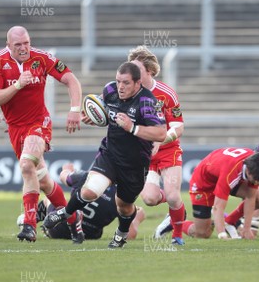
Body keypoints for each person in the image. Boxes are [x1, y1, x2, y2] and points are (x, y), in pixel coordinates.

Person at [43, 62, 166, 248]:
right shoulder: (110, 90)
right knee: (89, 191)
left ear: (138, 83)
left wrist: (131, 127)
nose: (120, 87)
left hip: (134, 164)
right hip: (110, 154)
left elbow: (160, 134)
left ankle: (121, 234)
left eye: (125, 83)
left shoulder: (147, 102)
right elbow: (102, 109)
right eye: (118, 81)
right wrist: (93, 117)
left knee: (124, 207)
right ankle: (65, 213)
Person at [0, 25, 83, 242]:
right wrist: (18, 86)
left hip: (39, 123)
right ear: (8, 45)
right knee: (45, 181)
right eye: (18, 45)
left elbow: (71, 80)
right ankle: (73, 219)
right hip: (15, 128)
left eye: (27, 43)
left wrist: (75, 109)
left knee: (26, 165)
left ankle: (29, 225)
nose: (24, 48)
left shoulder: (42, 58)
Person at [126, 46, 186, 245]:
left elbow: (178, 127)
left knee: (173, 195)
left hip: (168, 150)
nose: (132, 75)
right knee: (150, 199)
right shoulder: (127, 92)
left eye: (137, 70)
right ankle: (174, 208)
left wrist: (160, 141)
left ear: (149, 71)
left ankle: (177, 235)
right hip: (144, 153)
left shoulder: (166, 94)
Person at [32, 163, 146, 240]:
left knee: (50, 198)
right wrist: (136, 218)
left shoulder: (85, 176)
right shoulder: (122, 194)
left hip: (59, 230)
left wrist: (67, 169)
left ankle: (31, 221)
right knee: (132, 213)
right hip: (90, 235)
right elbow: (129, 235)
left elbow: (64, 177)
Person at [181, 148, 259, 240]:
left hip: (221, 173)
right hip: (203, 183)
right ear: (248, 171)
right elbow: (218, 207)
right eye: (255, 179)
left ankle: (230, 221)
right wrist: (222, 234)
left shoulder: (255, 162)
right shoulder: (230, 173)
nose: (257, 182)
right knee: (202, 233)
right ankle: (175, 221)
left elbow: (251, 197)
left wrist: (246, 229)